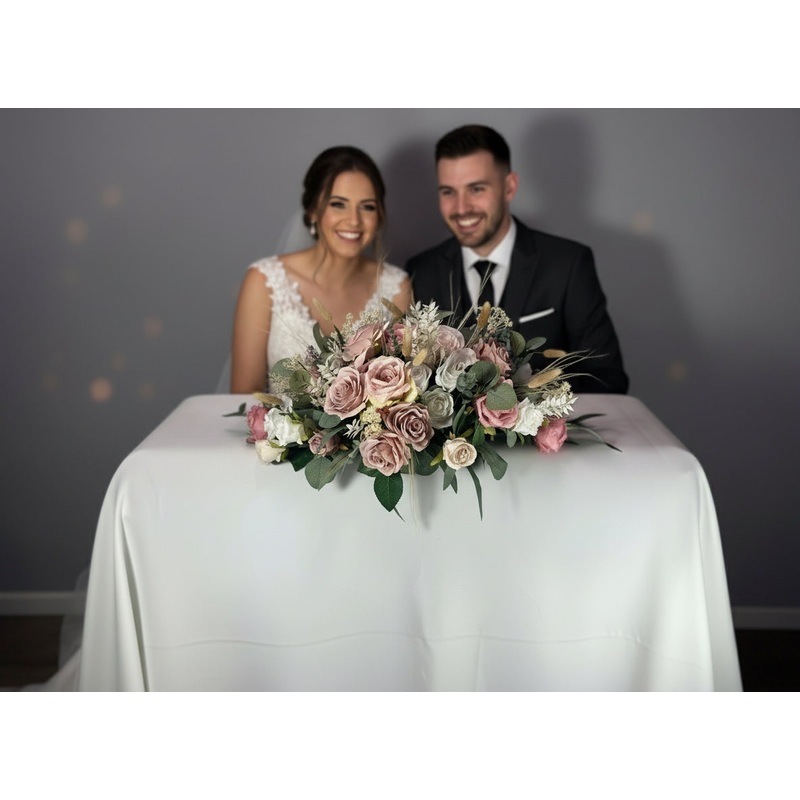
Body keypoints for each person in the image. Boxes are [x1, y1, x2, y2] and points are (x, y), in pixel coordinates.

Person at [406, 125, 628, 394]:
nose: (461, 208)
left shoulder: (568, 264)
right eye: (448, 192)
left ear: (509, 187)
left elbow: (608, 377)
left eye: (476, 189)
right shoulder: (421, 271)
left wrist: (525, 403)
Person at [231, 146, 412, 393]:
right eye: (338, 204)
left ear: (379, 215)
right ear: (313, 211)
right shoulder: (264, 281)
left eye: (367, 207)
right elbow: (245, 394)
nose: (354, 220)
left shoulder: (396, 288)